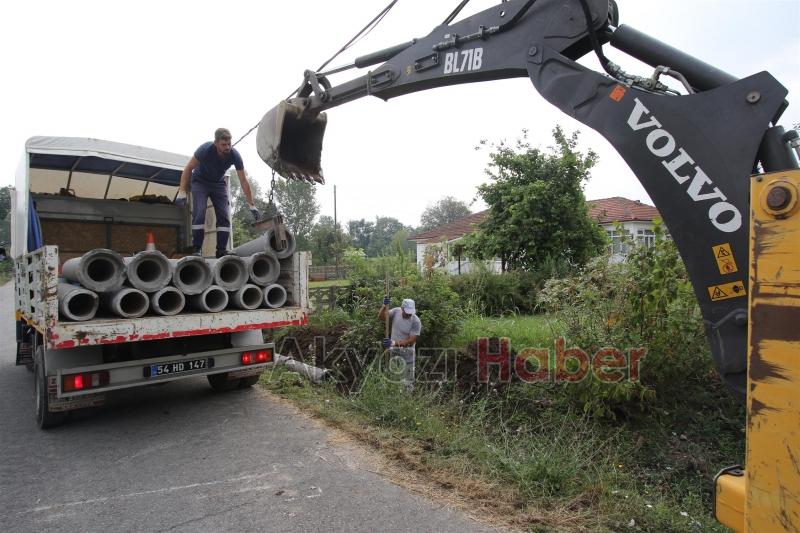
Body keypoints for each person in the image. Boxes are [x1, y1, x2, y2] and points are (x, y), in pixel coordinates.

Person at [176, 128, 260, 257]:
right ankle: (197, 248)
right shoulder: (205, 149)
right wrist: (182, 191)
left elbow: (243, 181)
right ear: (216, 143)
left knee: (224, 215)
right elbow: (188, 168)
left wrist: (251, 205)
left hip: (218, 184)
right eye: (223, 144)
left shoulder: (235, 155)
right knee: (199, 212)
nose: (227, 147)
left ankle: (221, 250)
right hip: (200, 181)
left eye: (229, 144)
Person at [378, 296, 422, 392]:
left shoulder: (416, 321)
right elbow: (381, 317)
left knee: (408, 383)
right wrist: (384, 305)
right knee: (394, 380)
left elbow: (411, 341)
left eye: (411, 312)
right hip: (394, 354)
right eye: (407, 311)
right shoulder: (396, 312)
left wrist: (394, 343)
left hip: (408, 356)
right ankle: (395, 400)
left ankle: (407, 401)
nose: (409, 314)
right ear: (402, 308)